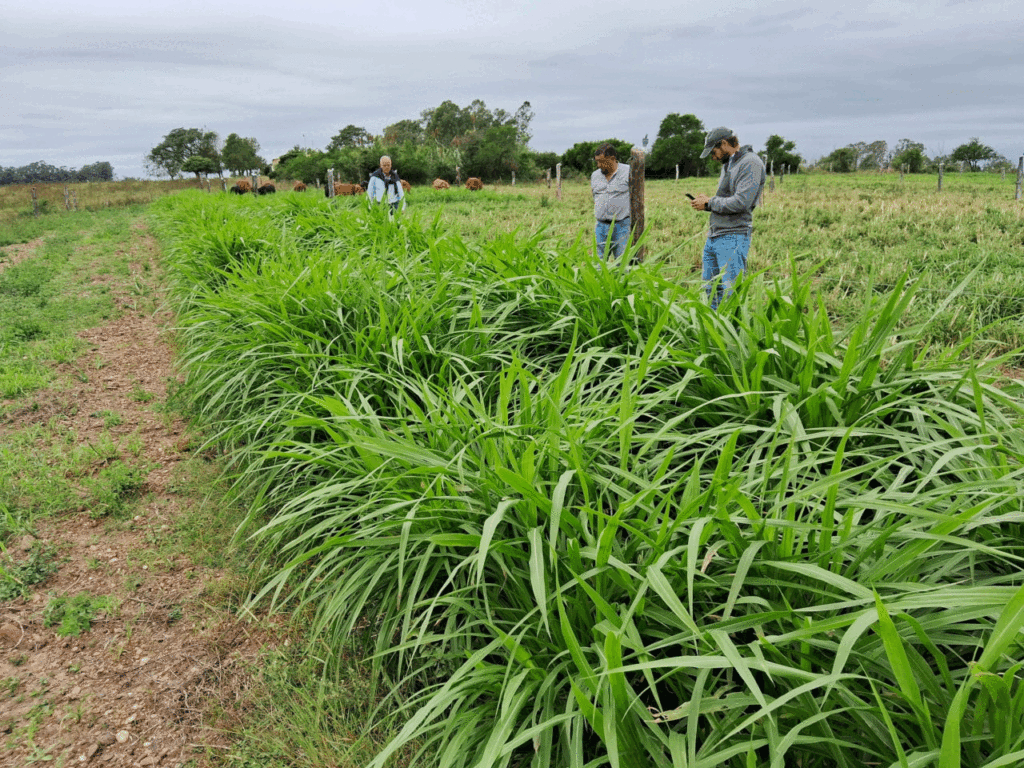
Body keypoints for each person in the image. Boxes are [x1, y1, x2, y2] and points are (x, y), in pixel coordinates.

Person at [691, 127, 766, 309]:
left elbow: (742, 202)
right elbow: (726, 200)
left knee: (731, 293)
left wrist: (710, 203)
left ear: (724, 144)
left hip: (733, 236)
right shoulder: (730, 164)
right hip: (715, 234)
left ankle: (732, 334)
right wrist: (706, 202)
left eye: (714, 151)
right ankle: (713, 333)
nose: (713, 156)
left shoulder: (750, 163)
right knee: (711, 291)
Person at [590, 143, 631, 260]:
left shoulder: (628, 172)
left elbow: (636, 197)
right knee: (599, 262)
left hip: (622, 225)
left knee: (621, 263)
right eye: (596, 161)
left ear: (612, 159)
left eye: (601, 161)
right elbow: (595, 196)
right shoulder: (595, 176)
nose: (598, 165)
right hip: (601, 226)